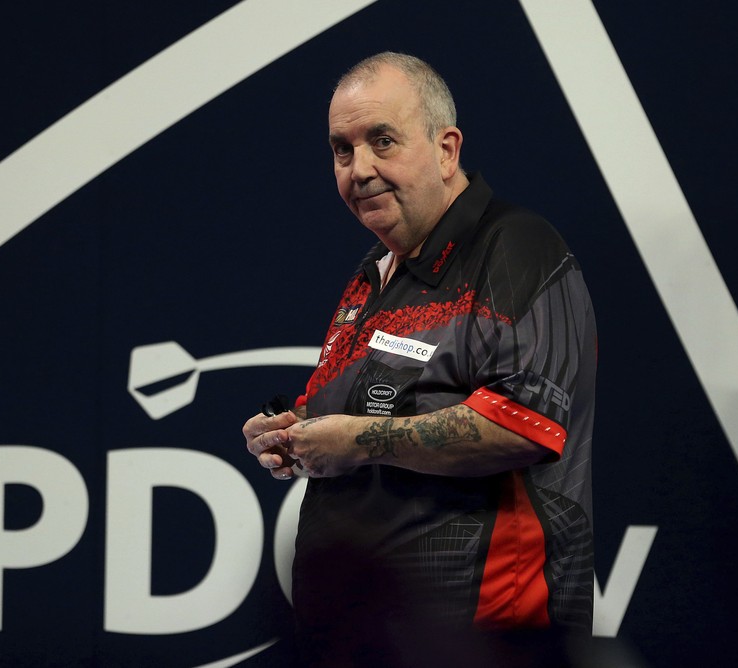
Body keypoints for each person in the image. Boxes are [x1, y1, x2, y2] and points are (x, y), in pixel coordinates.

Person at [243, 52, 596, 666]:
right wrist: (296, 431)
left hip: (480, 640)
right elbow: (385, 403)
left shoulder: (514, 247)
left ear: (447, 149)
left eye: (383, 140)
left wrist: (357, 441)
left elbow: (523, 424)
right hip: (366, 639)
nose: (360, 169)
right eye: (341, 150)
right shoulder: (373, 276)